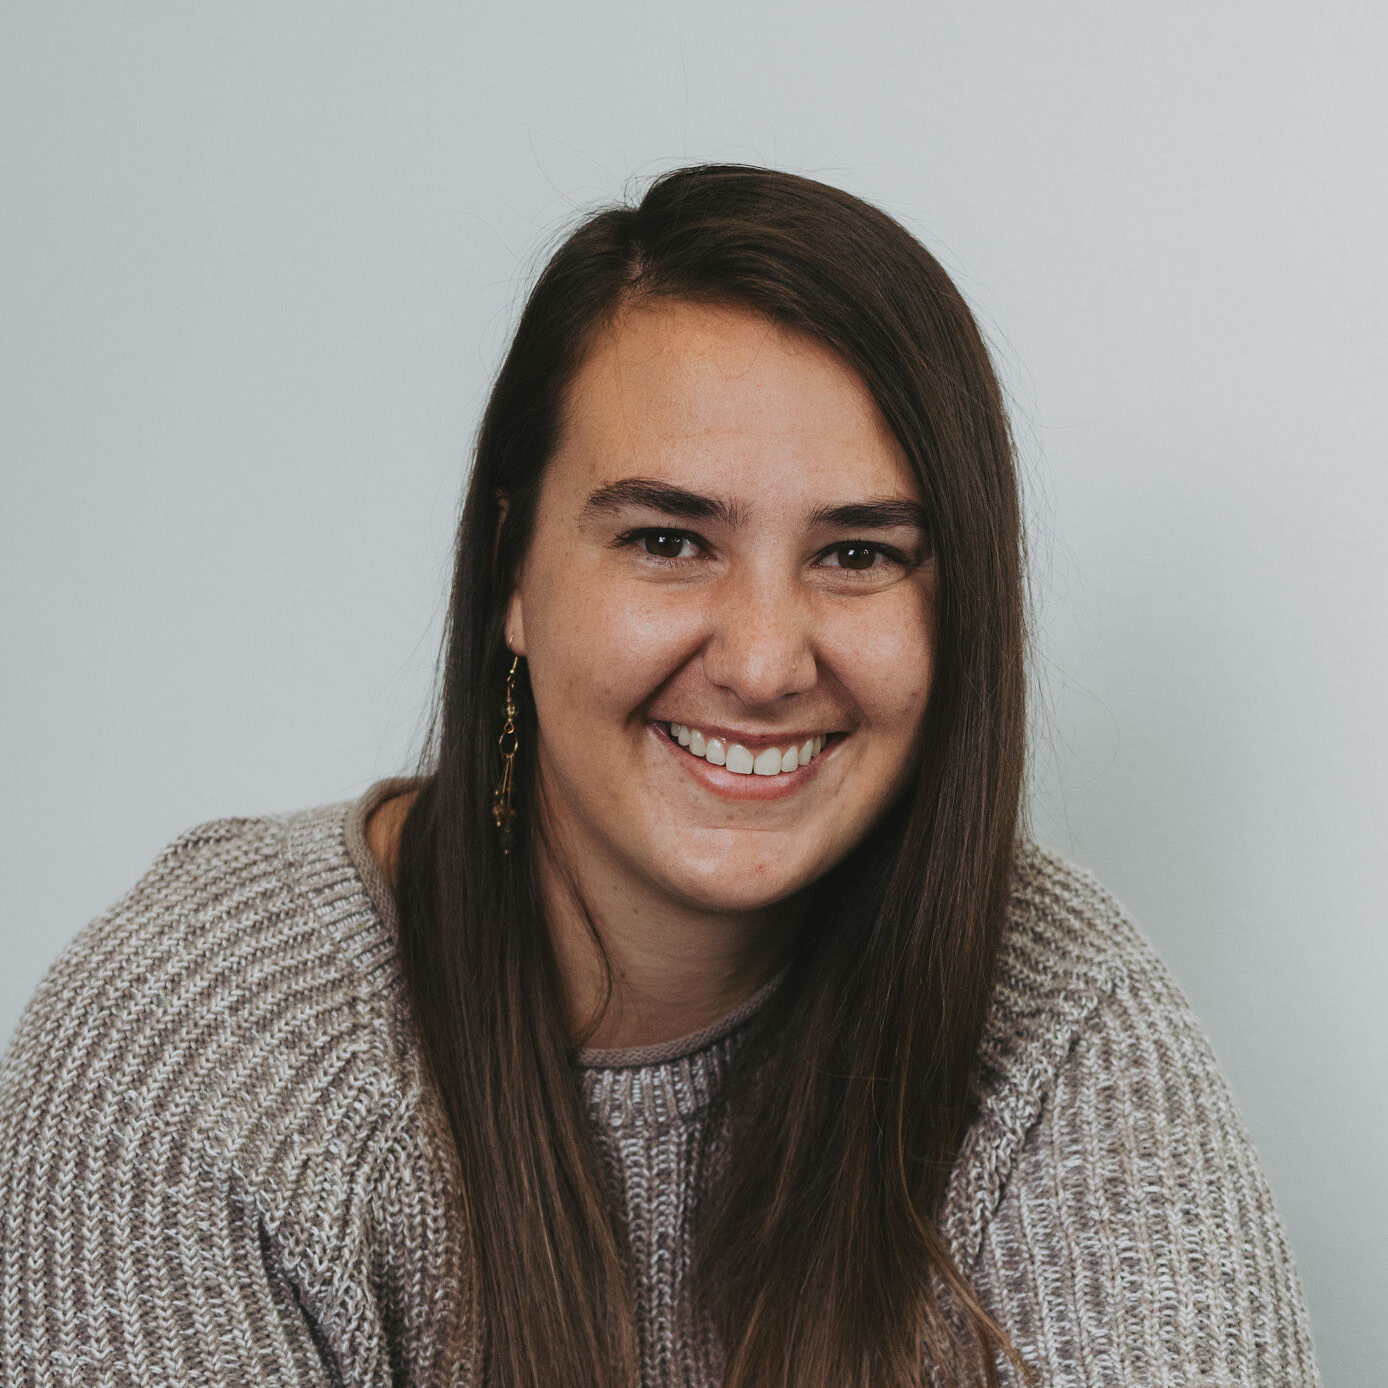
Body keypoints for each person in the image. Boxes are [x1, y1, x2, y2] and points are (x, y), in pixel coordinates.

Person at [0, 165, 1319, 1387]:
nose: (759, 661)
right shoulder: (199, 1048)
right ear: (515, 570)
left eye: (859, 555)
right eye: (670, 539)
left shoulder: (1062, 1016)